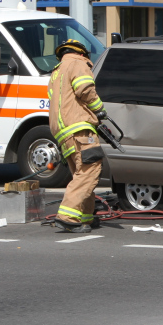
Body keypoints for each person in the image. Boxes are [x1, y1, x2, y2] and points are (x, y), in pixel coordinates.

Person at [48, 40, 106, 233]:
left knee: (82, 171)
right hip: (79, 128)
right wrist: (99, 110)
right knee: (90, 170)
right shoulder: (78, 63)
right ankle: (68, 217)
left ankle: (85, 216)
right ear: (82, 53)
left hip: (64, 132)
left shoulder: (57, 73)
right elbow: (85, 90)